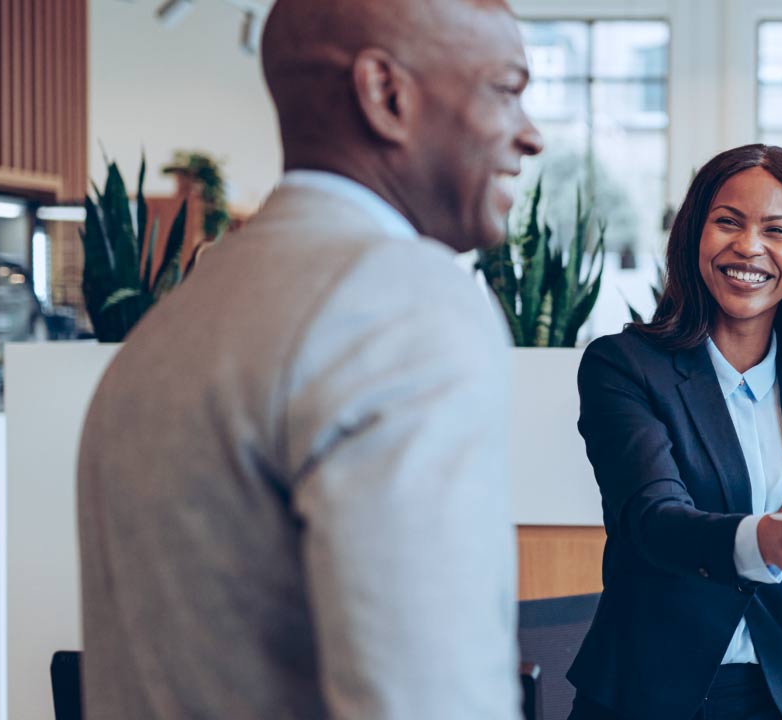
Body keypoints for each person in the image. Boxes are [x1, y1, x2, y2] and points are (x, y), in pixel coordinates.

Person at [76, 1, 542, 717]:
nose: (529, 135)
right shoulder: (404, 302)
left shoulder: (165, 330)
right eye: (506, 90)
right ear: (387, 95)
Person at [568, 144, 782, 720]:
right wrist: (763, 539)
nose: (748, 246)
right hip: (644, 699)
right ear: (694, 234)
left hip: (779, 699)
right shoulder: (623, 367)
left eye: (777, 230)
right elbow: (654, 521)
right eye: (728, 222)